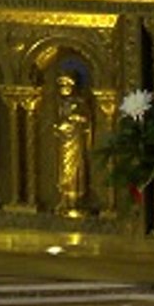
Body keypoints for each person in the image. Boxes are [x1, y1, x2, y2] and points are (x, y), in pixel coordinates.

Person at [54, 72, 92, 214]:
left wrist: (76, 118)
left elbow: (86, 120)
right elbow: (60, 120)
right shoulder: (62, 103)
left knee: (75, 169)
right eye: (61, 85)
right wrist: (59, 126)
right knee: (64, 171)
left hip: (76, 142)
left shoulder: (79, 102)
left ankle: (75, 201)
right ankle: (64, 200)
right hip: (64, 142)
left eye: (66, 85)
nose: (63, 88)